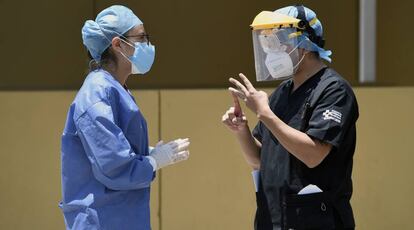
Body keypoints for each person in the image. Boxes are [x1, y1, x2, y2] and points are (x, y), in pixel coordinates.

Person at [222, 5, 358, 230]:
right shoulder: (282, 93)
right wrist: (241, 130)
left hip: (317, 219)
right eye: (265, 44)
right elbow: (259, 160)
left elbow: (314, 154)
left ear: (304, 44)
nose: (269, 52)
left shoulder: (333, 90)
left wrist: (264, 113)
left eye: (276, 42)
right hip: (274, 218)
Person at [59, 5, 190, 230]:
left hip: (120, 216)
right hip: (102, 219)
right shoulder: (97, 93)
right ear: (117, 44)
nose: (147, 45)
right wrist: (153, 161)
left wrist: (146, 153)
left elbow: (110, 148)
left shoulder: (115, 89)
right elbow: (113, 165)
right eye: (141, 38)